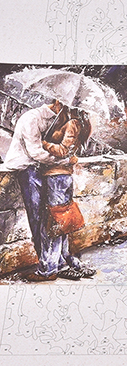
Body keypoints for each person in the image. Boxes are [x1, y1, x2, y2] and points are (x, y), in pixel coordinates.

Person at [4, 100, 69, 281]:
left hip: (42, 169)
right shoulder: (32, 118)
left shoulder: (58, 119)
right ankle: (47, 266)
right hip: (28, 170)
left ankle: (54, 264)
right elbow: (35, 152)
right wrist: (64, 161)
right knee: (38, 217)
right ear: (58, 103)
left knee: (51, 218)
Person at [39, 105, 96, 280]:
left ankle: (53, 267)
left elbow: (63, 150)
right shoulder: (81, 124)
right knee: (62, 222)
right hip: (64, 177)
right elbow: (72, 154)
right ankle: (67, 261)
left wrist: (44, 144)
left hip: (56, 177)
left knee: (56, 223)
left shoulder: (72, 123)